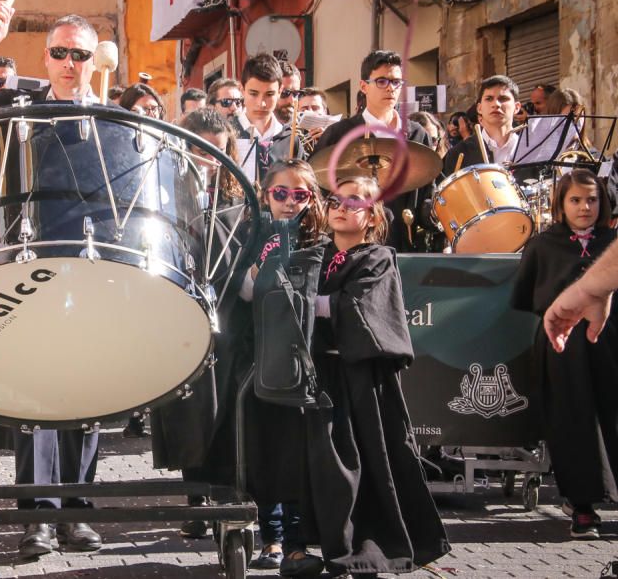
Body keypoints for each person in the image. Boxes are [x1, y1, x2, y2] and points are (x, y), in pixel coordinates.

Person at [0, 5, 103, 558]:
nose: (67, 63)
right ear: (46, 58)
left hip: (94, 269)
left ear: (91, 60)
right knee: (38, 393)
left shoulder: (111, 118)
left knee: (87, 390)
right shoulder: (21, 106)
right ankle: (38, 516)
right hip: (31, 264)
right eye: (58, 52)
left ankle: (77, 512)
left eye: (78, 54)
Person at [301, 176, 449, 575]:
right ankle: (325, 540)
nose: (341, 207)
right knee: (325, 462)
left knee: (367, 459)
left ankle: (365, 545)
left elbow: (363, 308)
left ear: (373, 217)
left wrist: (310, 303)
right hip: (320, 374)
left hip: (361, 377)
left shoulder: (378, 257)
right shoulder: (314, 254)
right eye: (335, 199)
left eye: (354, 201)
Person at [150, 108, 247, 541]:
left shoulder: (240, 196)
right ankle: (195, 500)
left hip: (227, 311)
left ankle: (226, 496)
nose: (208, 160)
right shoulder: (162, 190)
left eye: (218, 150)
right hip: (177, 311)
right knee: (187, 406)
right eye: (199, 149)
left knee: (227, 404)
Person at [513, 170, 617, 538]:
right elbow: (527, 295)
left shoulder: (613, 240)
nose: (585, 207)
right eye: (575, 200)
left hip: (611, 340)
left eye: (592, 200)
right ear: (560, 204)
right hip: (563, 348)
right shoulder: (543, 244)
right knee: (571, 420)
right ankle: (582, 506)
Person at [240, 159, 327, 574]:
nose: (290, 202)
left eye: (300, 195)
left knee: (297, 455)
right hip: (259, 361)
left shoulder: (321, 240)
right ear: (265, 194)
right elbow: (241, 294)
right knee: (264, 452)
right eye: (280, 193)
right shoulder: (250, 235)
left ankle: (295, 542)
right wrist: (261, 264)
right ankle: (270, 537)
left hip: (304, 366)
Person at [314, 50, 433, 252]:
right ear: (364, 86)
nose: (390, 88)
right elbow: (318, 186)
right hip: (350, 249)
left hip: (404, 244)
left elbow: (427, 190)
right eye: (382, 81)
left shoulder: (416, 134)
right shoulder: (340, 133)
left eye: (396, 82)